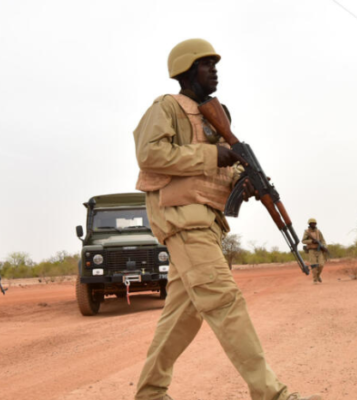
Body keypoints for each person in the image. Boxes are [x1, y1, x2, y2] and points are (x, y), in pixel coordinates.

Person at [132, 39, 321, 400]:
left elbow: (219, 167)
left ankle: (150, 393)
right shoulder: (167, 107)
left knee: (182, 316)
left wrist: (241, 180)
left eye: (215, 64)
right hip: (183, 220)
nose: (214, 70)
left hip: (205, 222)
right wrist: (212, 155)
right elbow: (150, 154)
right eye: (207, 64)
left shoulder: (214, 115)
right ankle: (272, 395)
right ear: (188, 71)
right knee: (226, 303)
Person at [302, 218, 327, 284]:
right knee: (314, 265)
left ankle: (318, 276)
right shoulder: (307, 232)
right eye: (312, 223)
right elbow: (303, 241)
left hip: (319, 250)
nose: (313, 224)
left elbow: (323, 240)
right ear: (309, 224)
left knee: (321, 264)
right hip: (311, 250)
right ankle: (315, 280)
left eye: (314, 223)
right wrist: (311, 241)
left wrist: (324, 246)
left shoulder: (318, 231)